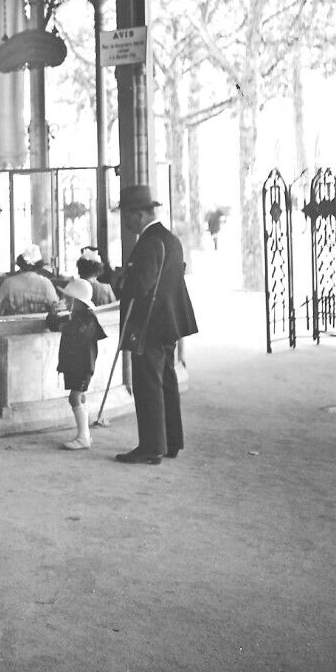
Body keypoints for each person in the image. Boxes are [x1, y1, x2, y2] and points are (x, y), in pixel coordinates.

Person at [113, 185, 198, 466]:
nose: (124, 221)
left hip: (148, 325)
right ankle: (171, 441)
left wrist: (119, 280)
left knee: (148, 384)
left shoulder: (149, 242)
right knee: (166, 381)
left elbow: (139, 285)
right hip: (169, 322)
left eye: (125, 214)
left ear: (138, 214)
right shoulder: (171, 239)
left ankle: (151, 447)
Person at [48, 277, 107, 450]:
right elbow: (54, 324)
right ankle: (85, 433)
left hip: (82, 366)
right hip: (79, 365)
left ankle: (83, 437)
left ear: (77, 301)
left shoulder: (87, 320)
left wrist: (61, 321)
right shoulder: (78, 316)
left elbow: (70, 330)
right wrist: (53, 314)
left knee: (74, 398)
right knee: (79, 396)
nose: (64, 301)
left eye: (67, 298)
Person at [0, 244, 59, 315]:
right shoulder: (46, 283)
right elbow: (55, 307)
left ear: (20, 264)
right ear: (39, 265)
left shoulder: (9, 283)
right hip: (42, 324)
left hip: (14, 324)